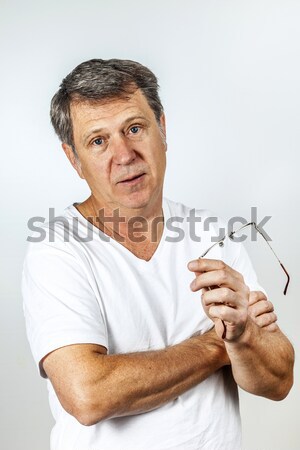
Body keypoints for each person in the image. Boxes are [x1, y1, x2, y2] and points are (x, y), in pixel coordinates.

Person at [22, 59, 294, 450]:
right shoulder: (57, 250)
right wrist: (217, 346)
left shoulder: (214, 236)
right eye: (98, 141)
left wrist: (244, 335)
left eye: (134, 128)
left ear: (162, 129)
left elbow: (278, 381)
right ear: (73, 159)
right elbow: (88, 395)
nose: (125, 154)